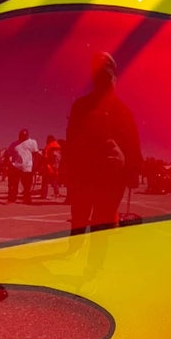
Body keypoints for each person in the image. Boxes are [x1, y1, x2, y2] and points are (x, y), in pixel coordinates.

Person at [64, 52, 140, 232]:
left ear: (115, 78)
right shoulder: (81, 106)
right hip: (85, 175)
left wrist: (128, 165)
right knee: (79, 221)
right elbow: (71, 140)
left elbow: (133, 145)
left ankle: (93, 252)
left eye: (106, 78)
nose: (103, 83)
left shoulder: (123, 112)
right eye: (99, 78)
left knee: (101, 226)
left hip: (111, 179)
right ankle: (76, 246)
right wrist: (69, 170)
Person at [6, 127, 38, 203]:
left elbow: (36, 154)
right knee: (13, 184)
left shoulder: (32, 142)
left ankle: (27, 198)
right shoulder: (14, 144)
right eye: (21, 135)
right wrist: (9, 164)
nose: (22, 137)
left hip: (27, 167)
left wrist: (35, 165)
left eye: (24, 135)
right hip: (15, 166)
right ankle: (12, 198)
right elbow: (9, 154)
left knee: (27, 185)